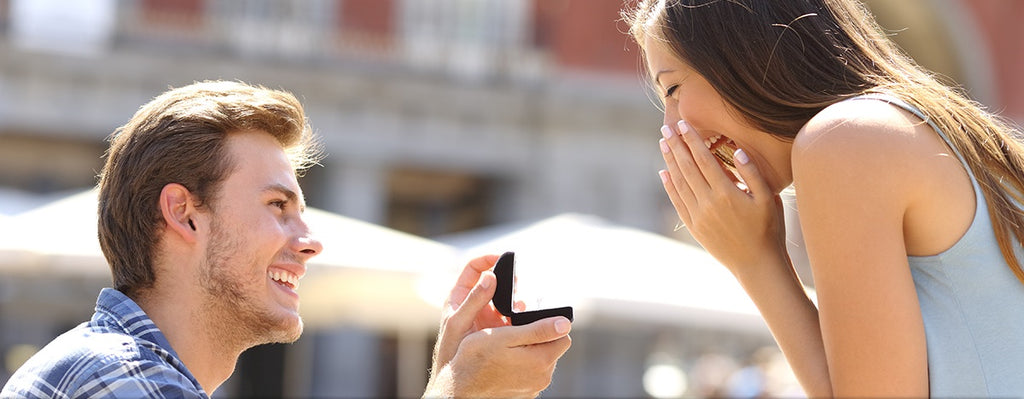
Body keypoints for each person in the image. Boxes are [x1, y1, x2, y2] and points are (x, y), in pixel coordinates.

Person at [0, 80, 571, 398]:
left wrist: (450, 379)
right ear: (184, 214)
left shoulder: (125, 368)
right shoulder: (121, 377)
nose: (310, 241)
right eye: (278, 206)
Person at [624, 0, 1024, 397]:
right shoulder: (926, 132)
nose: (670, 126)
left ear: (746, 54)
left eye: (673, 89)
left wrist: (756, 261)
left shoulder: (845, 139)